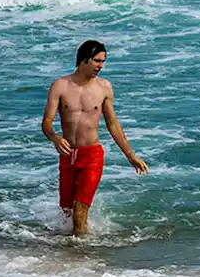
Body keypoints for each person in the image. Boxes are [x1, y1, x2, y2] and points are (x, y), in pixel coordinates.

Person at [40, 40, 148, 235]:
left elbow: (113, 124)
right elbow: (46, 122)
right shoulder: (60, 86)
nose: (101, 66)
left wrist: (131, 156)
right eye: (97, 61)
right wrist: (55, 138)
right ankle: (68, 247)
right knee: (67, 210)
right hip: (68, 155)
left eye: (103, 61)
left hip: (92, 155)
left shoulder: (104, 88)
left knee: (80, 210)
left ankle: (81, 256)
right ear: (83, 60)